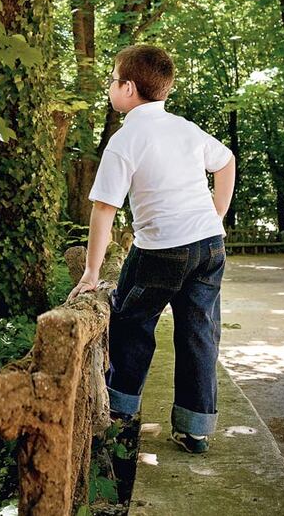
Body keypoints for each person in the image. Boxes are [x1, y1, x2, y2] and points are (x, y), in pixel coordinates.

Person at [67, 44, 235, 454]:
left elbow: (104, 210)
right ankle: (195, 429)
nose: (109, 87)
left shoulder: (126, 140)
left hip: (161, 251)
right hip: (209, 246)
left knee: (130, 321)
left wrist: (91, 274)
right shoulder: (184, 128)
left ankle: (120, 413)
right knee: (199, 332)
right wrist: (217, 215)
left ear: (127, 88)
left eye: (111, 80)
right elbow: (226, 161)